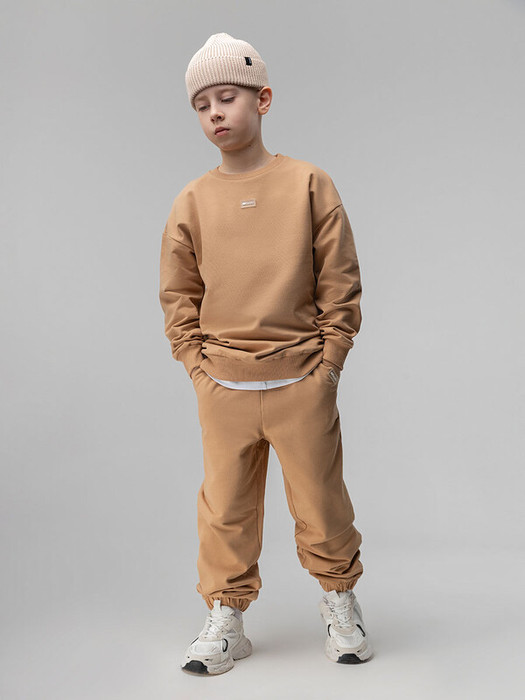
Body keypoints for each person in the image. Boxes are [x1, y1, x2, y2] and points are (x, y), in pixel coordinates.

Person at [159, 32, 374, 676]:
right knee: (224, 509)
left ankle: (340, 600)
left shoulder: (308, 183)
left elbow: (340, 277)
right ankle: (226, 616)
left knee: (322, 499)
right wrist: (197, 368)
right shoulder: (192, 201)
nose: (215, 114)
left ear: (264, 98)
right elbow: (178, 293)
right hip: (223, 385)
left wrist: (330, 363)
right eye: (201, 105)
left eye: (227, 97)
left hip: (301, 379)